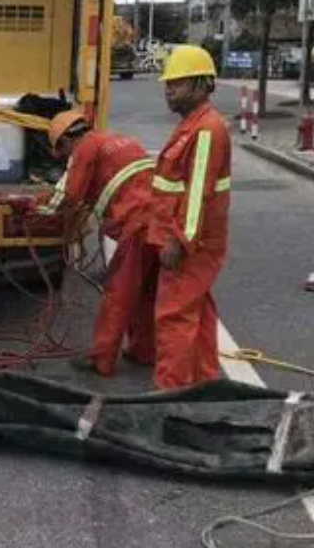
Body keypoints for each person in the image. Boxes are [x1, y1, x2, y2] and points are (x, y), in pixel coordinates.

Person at [29, 111, 155, 376]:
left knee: (119, 291)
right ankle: (144, 350)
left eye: (62, 154)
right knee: (145, 290)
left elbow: (68, 196)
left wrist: (33, 208)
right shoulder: (116, 140)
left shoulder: (85, 148)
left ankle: (102, 359)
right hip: (160, 219)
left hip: (137, 222)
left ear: (65, 141)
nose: (65, 160)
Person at [146, 44, 231, 389]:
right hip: (189, 239)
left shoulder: (206, 129)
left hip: (191, 245)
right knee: (198, 311)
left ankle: (170, 397)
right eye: (168, 84)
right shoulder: (193, 126)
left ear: (200, 85)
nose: (169, 91)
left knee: (174, 318)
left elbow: (198, 193)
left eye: (177, 84)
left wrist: (180, 241)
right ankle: (205, 383)